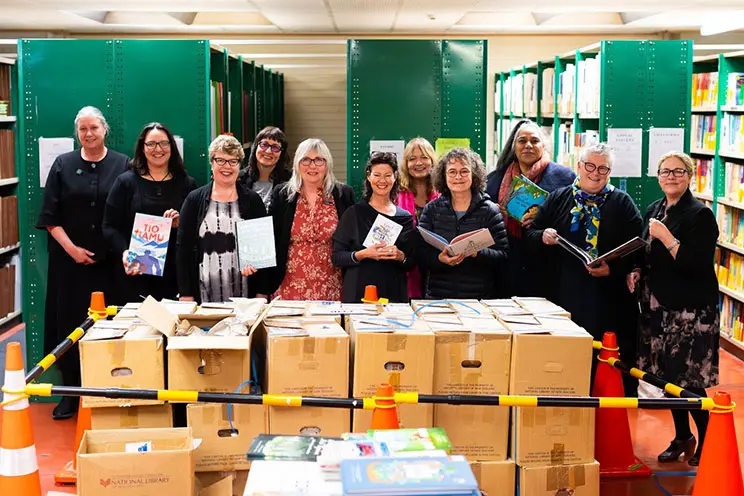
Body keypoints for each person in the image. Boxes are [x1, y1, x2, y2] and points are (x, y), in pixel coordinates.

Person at [527, 142, 642, 396]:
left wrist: (612, 269)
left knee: (604, 360)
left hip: (606, 299)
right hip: (562, 294)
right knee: (566, 358)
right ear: (578, 166)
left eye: (603, 168)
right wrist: (542, 236)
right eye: (590, 165)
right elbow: (531, 235)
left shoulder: (622, 202)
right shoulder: (558, 198)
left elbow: (637, 247)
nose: (596, 172)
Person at [36, 106, 129, 420]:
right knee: (68, 325)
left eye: (94, 128)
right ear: (77, 133)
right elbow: (50, 217)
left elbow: (130, 211)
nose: (88, 134)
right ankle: (71, 394)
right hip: (70, 265)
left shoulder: (122, 164)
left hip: (111, 265)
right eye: (82, 129)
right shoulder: (63, 164)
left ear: (105, 129)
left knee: (111, 326)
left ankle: (107, 390)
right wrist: (72, 250)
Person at [628, 151, 720, 466]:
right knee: (667, 379)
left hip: (690, 312)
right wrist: (635, 271)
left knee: (690, 381)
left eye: (678, 172)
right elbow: (644, 252)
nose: (671, 177)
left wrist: (666, 236)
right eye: (665, 171)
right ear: (658, 176)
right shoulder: (654, 210)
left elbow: (696, 264)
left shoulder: (700, 215)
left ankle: (709, 440)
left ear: (690, 176)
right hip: (657, 309)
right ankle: (683, 436)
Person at [103, 122, 197, 303]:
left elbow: (195, 230)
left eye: (163, 143)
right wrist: (124, 252)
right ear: (142, 147)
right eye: (151, 144)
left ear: (171, 146)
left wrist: (180, 223)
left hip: (174, 275)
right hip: (135, 273)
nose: (158, 149)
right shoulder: (125, 182)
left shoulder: (187, 183)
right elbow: (109, 226)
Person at [486, 119, 575, 296]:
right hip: (505, 267)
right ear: (514, 146)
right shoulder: (494, 180)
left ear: (544, 146)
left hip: (547, 266)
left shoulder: (564, 178)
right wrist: (493, 213)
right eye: (522, 141)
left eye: (534, 141)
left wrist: (543, 220)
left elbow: (574, 219)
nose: (528, 145)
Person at [177, 135, 268, 303]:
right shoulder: (194, 199)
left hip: (245, 291)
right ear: (211, 163)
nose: (227, 166)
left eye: (233, 161)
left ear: (239, 164)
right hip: (203, 290)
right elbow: (183, 249)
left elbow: (262, 249)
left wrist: (262, 292)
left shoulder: (253, 201)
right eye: (220, 160)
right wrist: (185, 293)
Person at [268, 138, 355, 300]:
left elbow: (352, 239)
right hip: (289, 285)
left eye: (319, 160)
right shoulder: (282, 194)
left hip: (332, 286)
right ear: (297, 164)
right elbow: (270, 239)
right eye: (306, 160)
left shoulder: (343, 194)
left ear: (327, 164)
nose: (312, 166)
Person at [418, 147, 509, 299]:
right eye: (452, 172)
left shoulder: (490, 211)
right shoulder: (432, 209)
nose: (458, 177)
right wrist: (439, 259)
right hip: (438, 297)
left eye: (464, 171)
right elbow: (420, 252)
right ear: (444, 176)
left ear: (474, 175)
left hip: (478, 299)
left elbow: (503, 255)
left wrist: (477, 253)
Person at [332, 151, 416, 303]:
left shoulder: (405, 218)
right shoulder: (354, 213)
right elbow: (337, 257)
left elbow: (411, 261)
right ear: (369, 177)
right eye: (377, 175)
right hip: (359, 291)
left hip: (394, 292)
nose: (382, 180)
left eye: (387, 175)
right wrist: (364, 254)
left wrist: (400, 256)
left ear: (395, 176)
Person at [397, 137, 439, 298]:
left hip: (436, 263)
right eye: (412, 159)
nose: (418, 163)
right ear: (406, 164)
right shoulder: (396, 194)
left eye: (424, 157)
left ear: (432, 161)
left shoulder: (444, 193)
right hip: (406, 265)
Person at [238, 126, 290, 210]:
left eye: (275, 147)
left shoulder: (289, 182)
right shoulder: (239, 179)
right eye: (264, 144)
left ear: (282, 153)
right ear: (255, 147)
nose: (268, 151)